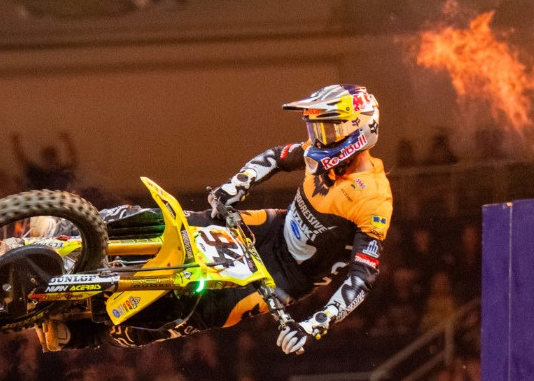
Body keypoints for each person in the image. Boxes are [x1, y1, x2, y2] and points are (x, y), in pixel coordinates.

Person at [39, 84, 393, 357]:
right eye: (317, 129)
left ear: (359, 131)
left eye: (328, 130)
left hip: (286, 278)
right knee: (177, 223)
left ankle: (78, 336)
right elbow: (276, 157)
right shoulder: (320, 152)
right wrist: (235, 186)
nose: (318, 139)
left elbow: (362, 278)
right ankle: (70, 229)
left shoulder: (373, 198)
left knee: (188, 313)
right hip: (270, 229)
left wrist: (315, 325)